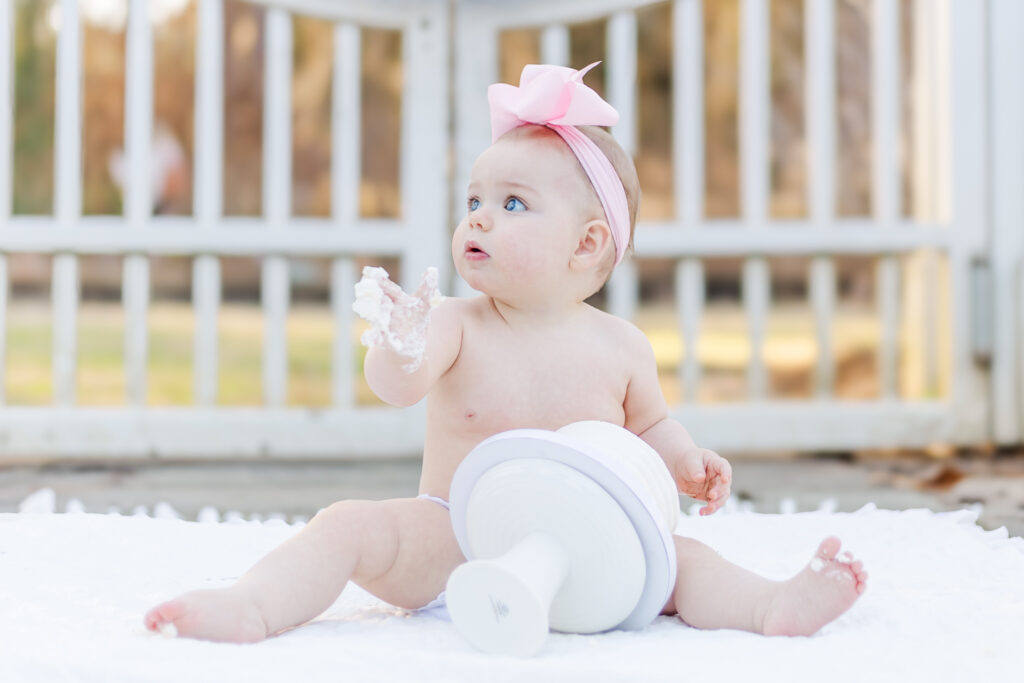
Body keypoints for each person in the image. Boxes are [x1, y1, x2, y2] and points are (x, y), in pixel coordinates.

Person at [144, 63, 866, 644]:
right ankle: (255, 604)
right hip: (454, 531)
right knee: (348, 524)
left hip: (586, 539)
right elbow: (398, 386)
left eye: (512, 203)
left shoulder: (621, 346)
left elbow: (649, 429)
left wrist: (686, 464)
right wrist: (400, 342)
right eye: (473, 200)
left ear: (587, 244)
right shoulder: (460, 323)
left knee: (682, 562)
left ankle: (773, 604)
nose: (479, 217)